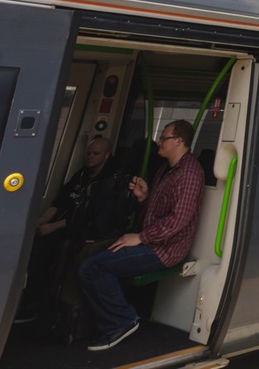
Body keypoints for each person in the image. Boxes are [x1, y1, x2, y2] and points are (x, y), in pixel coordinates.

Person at [77, 120, 204, 352]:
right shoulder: (165, 170)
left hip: (165, 250)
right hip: (152, 241)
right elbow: (157, 212)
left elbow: (178, 221)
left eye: (164, 137)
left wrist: (140, 237)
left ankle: (122, 320)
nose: (159, 142)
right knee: (90, 257)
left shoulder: (189, 174)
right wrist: (143, 197)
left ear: (178, 141)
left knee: (93, 268)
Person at [15, 136, 130, 324]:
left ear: (107, 155)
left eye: (96, 153)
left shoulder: (110, 182)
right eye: (89, 153)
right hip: (57, 223)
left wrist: (51, 227)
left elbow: (90, 217)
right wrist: (41, 221)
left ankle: (35, 304)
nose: (90, 157)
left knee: (43, 251)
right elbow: (59, 202)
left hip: (79, 230)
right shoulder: (82, 175)